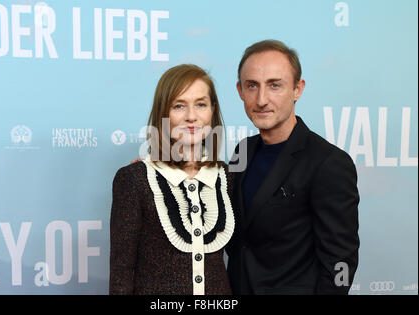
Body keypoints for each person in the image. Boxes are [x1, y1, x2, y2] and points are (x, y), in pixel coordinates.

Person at [226, 40, 360, 295]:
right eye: (252, 85)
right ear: (240, 91)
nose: (261, 99)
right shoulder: (243, 150)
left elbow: (341, 262)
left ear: (298, 89)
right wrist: (156, 172)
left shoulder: (328, 163)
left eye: (274, 85)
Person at [109, 64, 235, 295]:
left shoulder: (228, 176)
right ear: (163, 113)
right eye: (179, 106)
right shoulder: (135, 179)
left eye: (201, 104)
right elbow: (121, 274)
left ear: (212, 111)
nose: (191, 117)